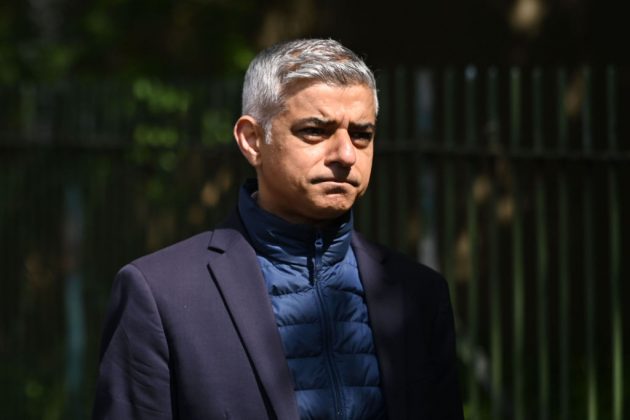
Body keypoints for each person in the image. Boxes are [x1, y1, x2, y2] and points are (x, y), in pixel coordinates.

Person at [93, 38, 463, 420]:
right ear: (253, 140)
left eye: (361, 134)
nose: (345, 154)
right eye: (315, 130)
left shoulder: (418, 294)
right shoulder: (162, 294)